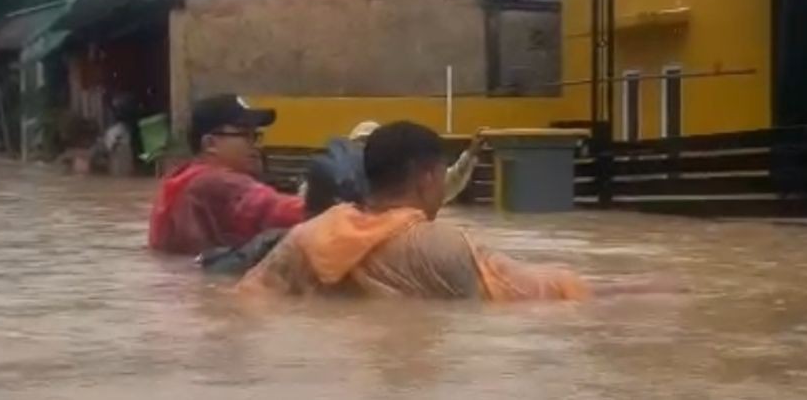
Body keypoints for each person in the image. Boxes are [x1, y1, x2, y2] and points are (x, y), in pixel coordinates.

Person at [237, 121, 589, 301]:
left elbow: (246, 300)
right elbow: (541, 290)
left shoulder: (307, 237)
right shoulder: (442, 245)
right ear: (428, 177)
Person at [147, 94, 305, 255]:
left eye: (256, 136)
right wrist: (326, 206)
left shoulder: (184, 178)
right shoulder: (218, 183)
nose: (256, 146)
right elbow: (280, 211)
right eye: (246, 135)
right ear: (210, 144)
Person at [345, 120, 485, 206]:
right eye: (359, 144)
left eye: (367, 144)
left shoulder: (402, 184)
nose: (363, 150)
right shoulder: (339, 189)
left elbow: (447, 182)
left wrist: (471, 154)